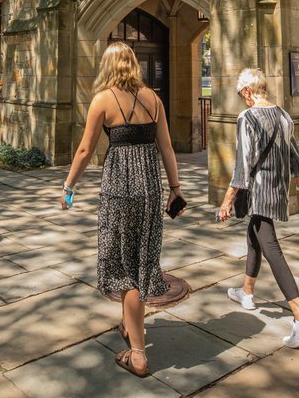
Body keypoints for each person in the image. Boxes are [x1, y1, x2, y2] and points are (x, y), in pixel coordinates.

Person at [58, 41, 185, 378]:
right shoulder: (154, 99)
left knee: (126, 269)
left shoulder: (103, 99)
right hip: (150, 190)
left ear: (109, 66)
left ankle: (138, 355)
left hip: (119, 191)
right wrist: (175, 189)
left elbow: (85, 149)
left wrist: (68, 187)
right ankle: (130, 326)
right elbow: (167, 147)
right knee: (142, 260)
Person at [217, 67, 299, 348]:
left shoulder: (247, 117)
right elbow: (296, 158)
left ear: (248, 91)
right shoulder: (284, 116)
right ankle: (246, 292)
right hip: (278, 192)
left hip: (258, 192)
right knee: (254, 238)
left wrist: (227, 200)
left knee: (271, 248)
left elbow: (243, 164)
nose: (242, 100)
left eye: (242, 95)